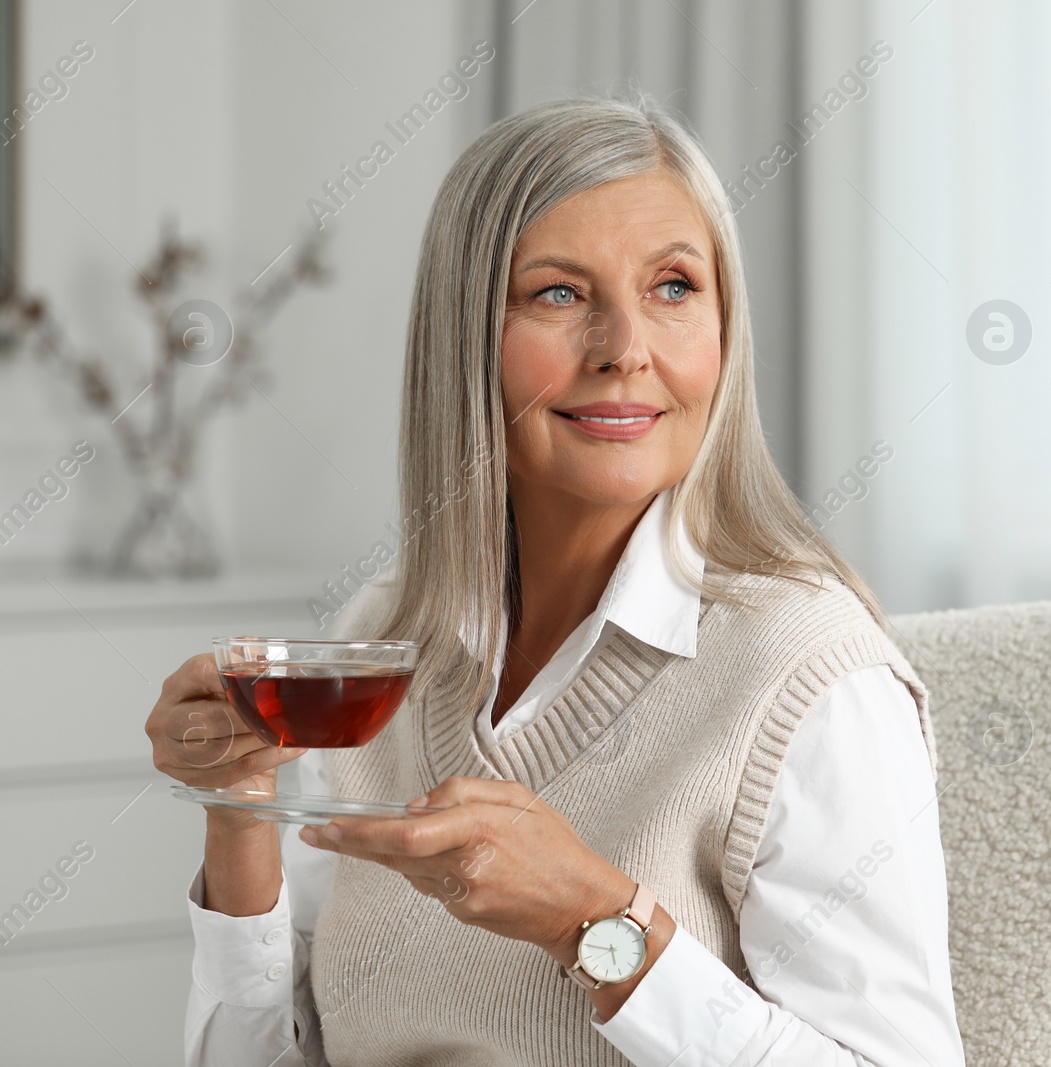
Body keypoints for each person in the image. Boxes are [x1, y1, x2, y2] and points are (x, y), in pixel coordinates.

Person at [146, 94, 965, 1066]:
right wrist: (241, 804)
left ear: (723, 330)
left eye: (672, 286)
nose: (626, 346)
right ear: (465, 343)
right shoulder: (384, 641)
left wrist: (595, 921)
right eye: (558, 294)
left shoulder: (810, 678)